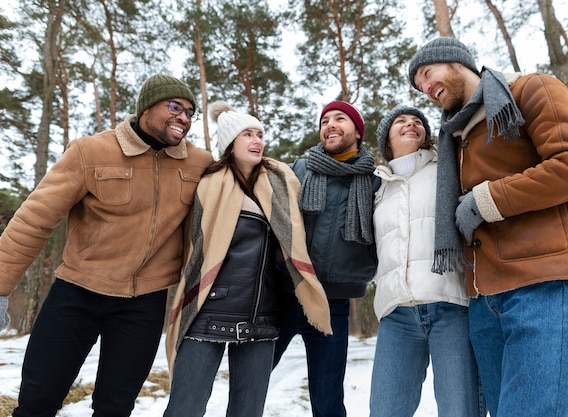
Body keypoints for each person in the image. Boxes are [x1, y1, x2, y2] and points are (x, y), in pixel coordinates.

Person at [408, 37, 568, 417]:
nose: (426, 89)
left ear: (455, 61)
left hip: (545, 283)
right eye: (420, 87)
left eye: (427, 74)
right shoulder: (455, 139)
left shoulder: (531, 89)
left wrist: (488, 200)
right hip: (485, 299)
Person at [0, 74, 213, 417]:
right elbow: (33, 219)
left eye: (190, 112)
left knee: (115, 407)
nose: (184, 118)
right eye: (175, 107)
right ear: (146, 107)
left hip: (144, 303)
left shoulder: (199, 163)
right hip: (77, 292)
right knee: (38, 401)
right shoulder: (91, 151)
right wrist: (1, 288)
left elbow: (237, 187)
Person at [164, 102, 332, 417]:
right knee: (184, 409)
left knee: (248, 412)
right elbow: (193, 246)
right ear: (230, 143)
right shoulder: (208, 184)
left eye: (259, 134)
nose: (257, 141)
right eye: (247, 135)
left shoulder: (282, 184)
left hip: (264, 318)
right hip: (208, 312)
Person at [368, 105, 483, 417]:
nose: (411, 124)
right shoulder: (377, 188)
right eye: (401, 121)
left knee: (460, 410)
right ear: (386, 139)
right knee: (385, 411)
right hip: (396, 313)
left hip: (451, 305)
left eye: (417, 121)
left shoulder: (447, 169)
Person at [272, 101, 379, 417]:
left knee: (328, 397)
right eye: (325, 120)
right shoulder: (298, 169)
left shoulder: (375, 180)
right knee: (252, 379)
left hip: (333, 301)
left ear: (357, 132)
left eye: (340, 119)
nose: (330, 124)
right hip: (285, 294)